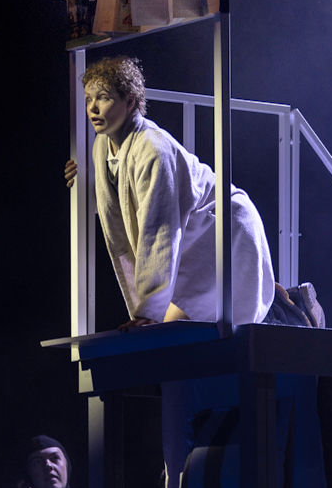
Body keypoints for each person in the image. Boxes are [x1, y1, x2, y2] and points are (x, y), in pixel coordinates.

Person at [64, 56, 276, 328]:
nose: (93, 108)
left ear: (129, 101)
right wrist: (87, 182)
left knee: (173, 327)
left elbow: (158, 229)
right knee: (175, 327)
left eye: (103, 98)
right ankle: (282, 299)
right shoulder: (102, 145)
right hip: (189, 234)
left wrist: (148, 310)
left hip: (223, 228)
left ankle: (287, 308)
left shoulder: (153, 149)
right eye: (88, 99)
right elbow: (121, 205)